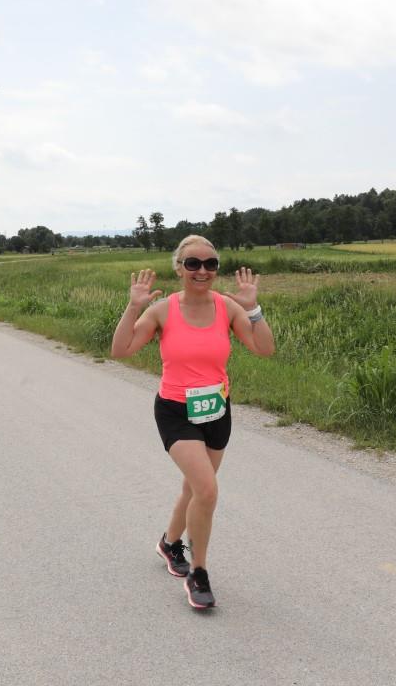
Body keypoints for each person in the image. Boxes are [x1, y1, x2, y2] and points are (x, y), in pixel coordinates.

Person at [110, 235, 274, 609]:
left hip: (216, 409)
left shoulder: (227, 307)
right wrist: (133, 307)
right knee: (207, 490)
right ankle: (198, 574)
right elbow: (120, 350)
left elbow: (264, 348)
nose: (202, 271)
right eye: (193, 263)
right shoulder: (163, 311)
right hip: (175, 411)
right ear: (179, 268)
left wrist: (253, 309)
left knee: (194, 488)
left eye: (210, 264)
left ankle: (169, 543)